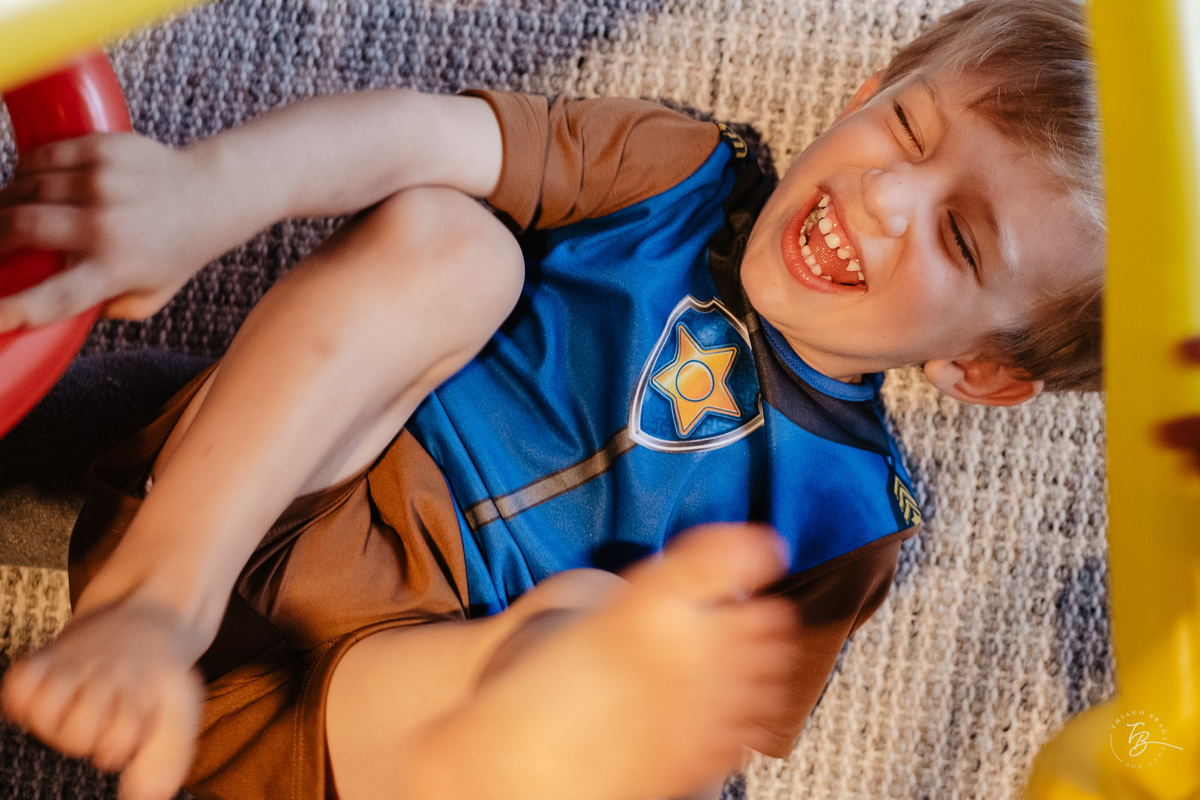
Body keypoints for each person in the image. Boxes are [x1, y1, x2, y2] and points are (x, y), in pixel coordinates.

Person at [0, 1, 1105, 798]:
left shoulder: (852, 519)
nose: (885, 196)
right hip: (245, 499)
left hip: (368, 734)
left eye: (961, 237)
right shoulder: (679, 172)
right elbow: (426, 135)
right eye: (906, 132)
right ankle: (154, 601)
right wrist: (203, 196)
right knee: (454, 245)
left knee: (615, 648)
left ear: (984, 370)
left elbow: (694, 734)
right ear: (865, 95)